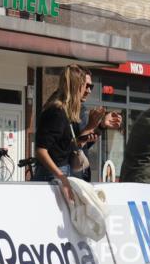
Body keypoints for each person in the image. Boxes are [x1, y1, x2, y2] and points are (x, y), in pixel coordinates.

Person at [34, 64, 88, 204]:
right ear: (78, 86)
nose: (87, 91)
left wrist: (95, 127)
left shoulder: (65, 111)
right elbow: (41, 150)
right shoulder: (56, 112)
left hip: (59, 172)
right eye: (85, 86)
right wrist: (61, 177)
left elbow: (64, 146)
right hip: (52, 174)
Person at [74, 71, 122, 180]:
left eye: (91, 86)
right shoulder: (61, 110)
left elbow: (83, 144)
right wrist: (91, 126)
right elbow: (68, 146)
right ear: (75, 84)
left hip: (80, 174)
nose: (89, 90)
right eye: (87, 86)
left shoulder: (81, 109)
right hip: (68, 176)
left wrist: (101, 126)